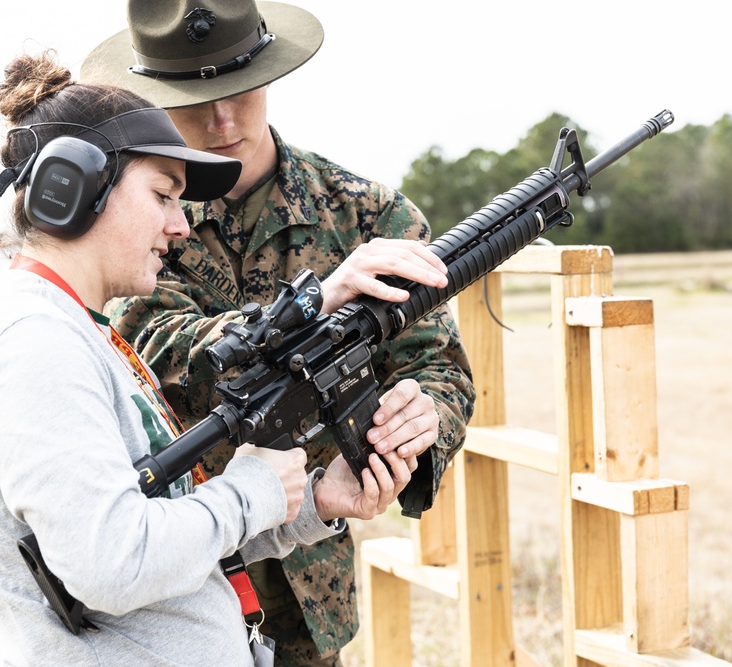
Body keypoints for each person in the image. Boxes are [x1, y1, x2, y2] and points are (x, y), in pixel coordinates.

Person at [0, 51, 413, 666]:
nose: (180, 226)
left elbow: (156, 532)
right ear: (74, 190)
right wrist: (254, 490)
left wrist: (313, 502)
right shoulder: (32, 348)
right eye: (163, 195)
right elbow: (113, 563)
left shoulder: (71, 330)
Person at [81, 1, 477, 664]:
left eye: (238, 90)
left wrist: (422, 417)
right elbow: (153, 343)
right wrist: (319, 299)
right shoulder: (139, 218)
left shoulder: (366, 214)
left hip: (309, 591)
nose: (222, 120)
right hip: (175, 573)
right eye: (194, 98)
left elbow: (440, 367)